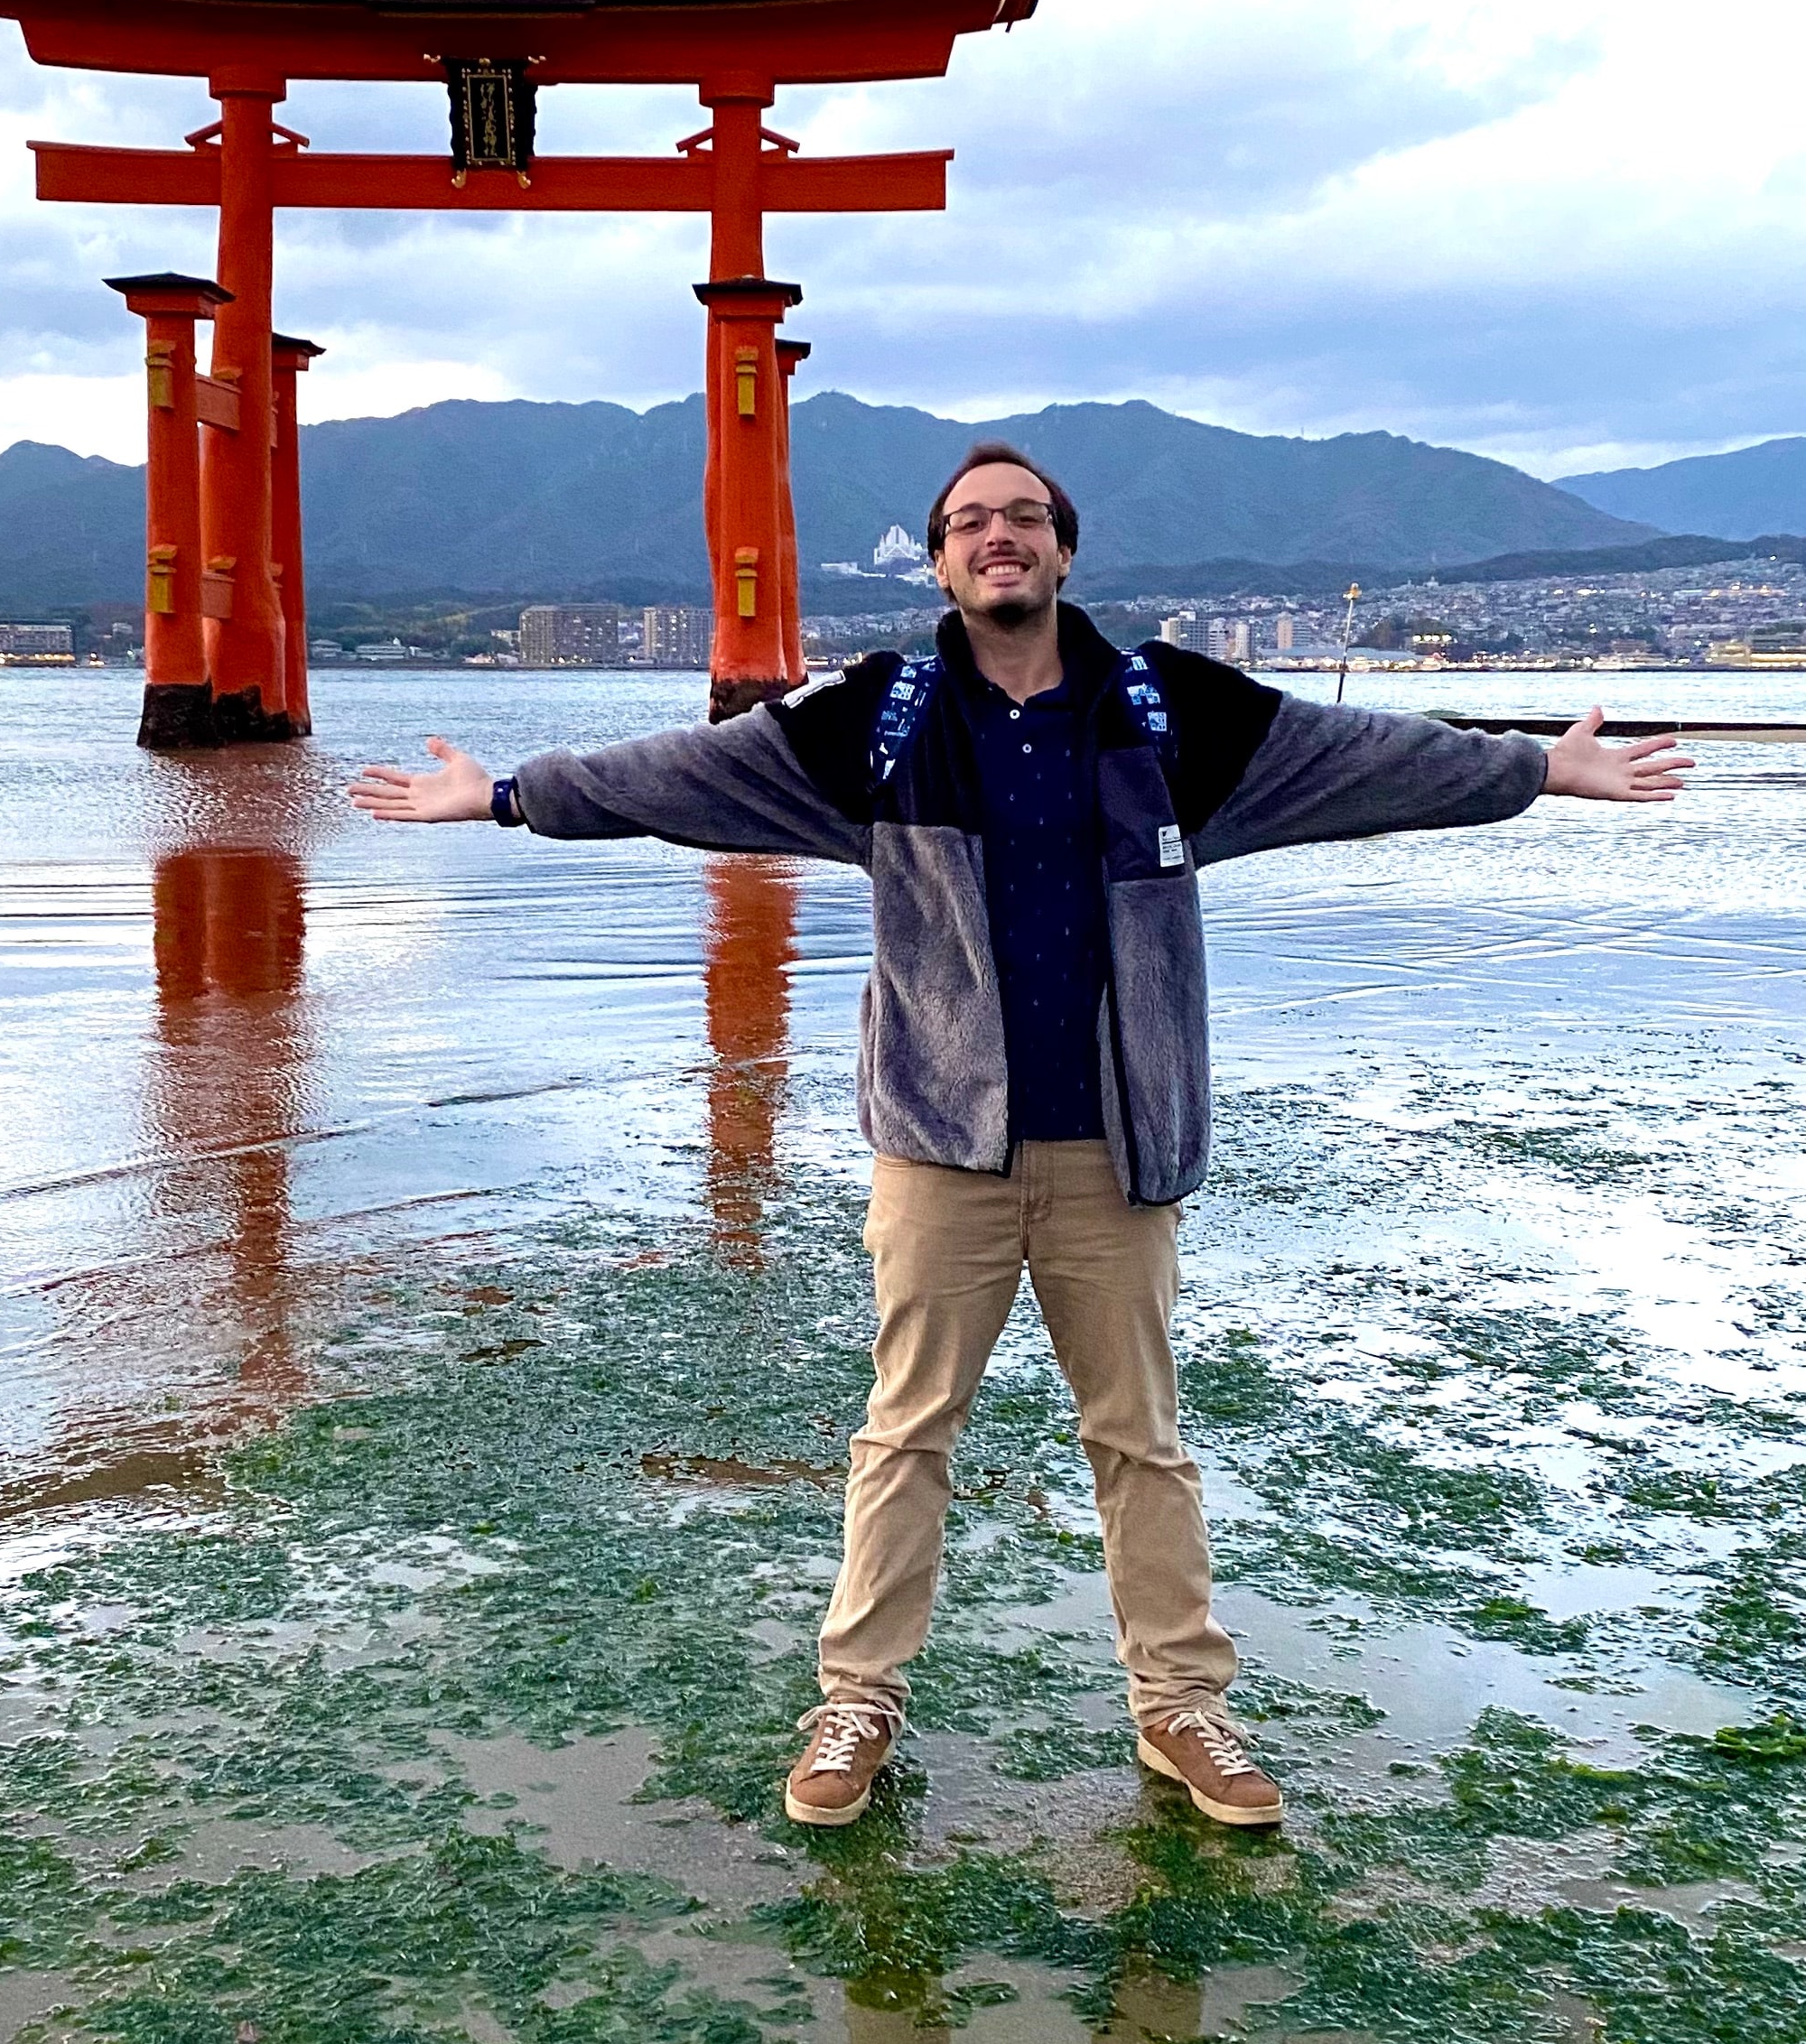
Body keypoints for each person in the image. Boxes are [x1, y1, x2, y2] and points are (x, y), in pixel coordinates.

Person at [349, 443, 1693, 1834]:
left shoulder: (1171, 712)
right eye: (971, 522)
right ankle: (857, 1701)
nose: (1000, 536)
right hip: (943, 1150)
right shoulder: (883, 721)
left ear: (1064, 548)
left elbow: (1362, 758)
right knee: (905, 1433)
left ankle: (1181, 1706)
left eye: (1025, 517)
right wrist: (511, 796)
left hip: (1118, 1148)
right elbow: (690, 773)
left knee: (1141, 1440)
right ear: (940, 561)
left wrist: (1537, 768)